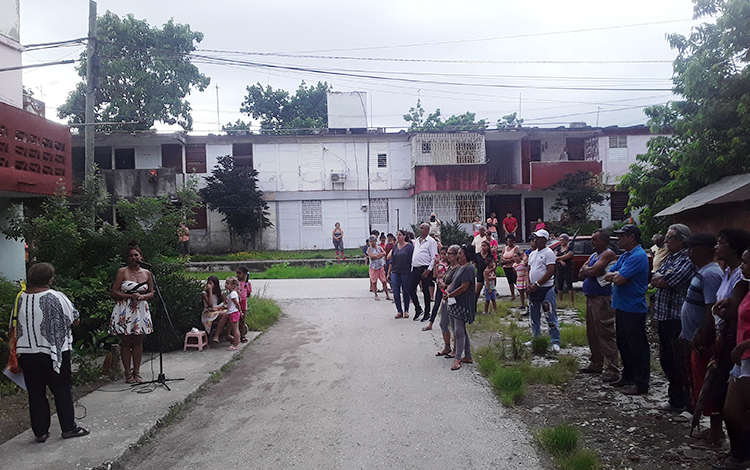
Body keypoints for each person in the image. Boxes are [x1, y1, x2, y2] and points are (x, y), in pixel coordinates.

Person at [16, 262, 89, 441]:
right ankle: (68, 428)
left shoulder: (21, 298)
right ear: (49, 280)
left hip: (27, 352)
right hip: (53, 352)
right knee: (62, 390)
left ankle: (40, 432)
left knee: (35, 393)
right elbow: (74, 319)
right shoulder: (56, 296)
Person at [652, 223, 696, 411]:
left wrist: (659, 278)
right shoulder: (670, 258)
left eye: (670, 238)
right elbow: (655, 278)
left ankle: (688, 404)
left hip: (676, 318)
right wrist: (658, 278)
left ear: (681, 241)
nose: (666, 241)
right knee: (667, 361)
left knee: (681, 363)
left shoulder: (686, 260)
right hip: (663, 316)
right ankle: (675, 399)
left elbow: (663, 281)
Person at [680, 233, 722, 426]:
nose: (689, 254)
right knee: (694, 380)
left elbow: (711, 309)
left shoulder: (711, 274)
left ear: (704, 249)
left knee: (705, 382)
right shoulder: (702, 271)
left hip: (700, 340)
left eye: (692, 249)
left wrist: (704, 336)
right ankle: (698, 419)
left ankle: (709, 426)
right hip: (691, 336)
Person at [714, 248, 750, 470]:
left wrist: (745, 345)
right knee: (731, 410)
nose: (743, 266)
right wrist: (727, 302)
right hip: (742, 357)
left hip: (746, 354)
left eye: (746, 262)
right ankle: (741, 452)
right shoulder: (746, 286)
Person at [605, 224, 650, 396]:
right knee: (624, 344)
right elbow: (610, 273)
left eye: (622, 236)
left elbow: (619, 279)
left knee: (637, 346)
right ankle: (628, 375)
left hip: (633, 307)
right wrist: (616, 276)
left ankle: (641, 383)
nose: (618, 239)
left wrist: (617, 276)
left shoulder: (638, 256)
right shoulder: (626, 255)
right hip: (622, 306)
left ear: (631, 237)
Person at [578, 229, 620, 382]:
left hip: (602, 299)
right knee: (592, 332)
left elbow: (594, 270)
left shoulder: (608, 254)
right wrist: (589, 271)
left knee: (604, 332)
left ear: (604, 240)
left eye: (595, 240)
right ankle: (596, 363)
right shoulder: (593, 255)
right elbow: (581, 273)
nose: (592, 242)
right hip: (591, 298)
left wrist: (589, 270)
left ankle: (612, 369)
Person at [109, 242, 154, 384]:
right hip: (125, 308)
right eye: (131, 256)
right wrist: (130, 296)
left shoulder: (147, 273)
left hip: (140, 309)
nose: (134, 258)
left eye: (136, 255)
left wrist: (143, 297)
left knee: (138, 340)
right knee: (126, 341)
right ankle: (127, 373)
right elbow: (114, 292)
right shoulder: (122, 272)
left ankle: (137, 372)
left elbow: (152, 292)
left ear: (141, 256)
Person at [526, 229, 561, 351]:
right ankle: (535, 337)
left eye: (538, 238)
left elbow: (550, 271)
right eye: (535, 238)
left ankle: (555, 341)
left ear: (544, 240)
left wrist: (537, 283)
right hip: (533, 288)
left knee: (550, 314)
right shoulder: (532, 253)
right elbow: (528, 269)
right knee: (534, 315)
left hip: (546, 288)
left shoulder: (549, 253)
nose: (535, 240)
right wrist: (528, 283)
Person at [446, 244, 477, 370]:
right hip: (455, 303)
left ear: (466, 255)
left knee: (459, 331)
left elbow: (464, 287)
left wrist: (451, 294)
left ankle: (457, 358)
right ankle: (468, 355)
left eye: (460, 253)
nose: (458, 255)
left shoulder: (469, 268)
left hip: (462, 304)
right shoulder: (461, 267)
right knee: (461, 330)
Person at [409, 223, 437, 321]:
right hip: (416, 268)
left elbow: (434, 257)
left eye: (422, 228)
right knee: (411, 289)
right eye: (420, 228)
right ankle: (418, 309)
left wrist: (429, 269)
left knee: (425, 290)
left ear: (427, 230)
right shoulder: (417, 240)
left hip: (425, 268)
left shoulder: (431, 241)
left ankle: (427, 312)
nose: (420, 230)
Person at [436, 246, 461, 356]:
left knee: (454, 325)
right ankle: (447, 346)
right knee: (443, 323)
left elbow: (455, 284)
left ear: (456, 255)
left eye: (450, 253)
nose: (447, 255)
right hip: (446, 297)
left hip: (453, 299)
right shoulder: (450, 267)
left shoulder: (458, 269)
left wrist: (446, 286)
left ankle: (456, 349)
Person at [387, 229, 413, 318]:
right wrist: (389, 272)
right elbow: (392, 260)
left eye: (400, 235)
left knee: (405, 291)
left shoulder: (409, 247)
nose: (398, 236)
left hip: (405, 272)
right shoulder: (395, 247)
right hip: (395, 271)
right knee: (395, 291)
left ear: (404, 236)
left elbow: (412, 259)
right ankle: (399, 311)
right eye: (397, 235)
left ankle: (406, 310)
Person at [423, 246, 448, 331]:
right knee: (436, 304)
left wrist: (442, 275)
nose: (443, 256)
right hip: (440, 285)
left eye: (445, 254)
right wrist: (435, 265)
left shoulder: (450, 264)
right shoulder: (439, 263)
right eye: (442, 254)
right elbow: (435, 275)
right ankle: (431, 323)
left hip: (448, 286)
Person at [202, 275, 228, 343]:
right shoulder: (205, 293)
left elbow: (226, 303)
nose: (209, 285)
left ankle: (227, 334)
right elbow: (210, 304)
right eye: (208, 283)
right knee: (225, 314)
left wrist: (220, 307)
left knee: (229, 313)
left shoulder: (219, 293)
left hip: (217, 311)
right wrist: (210, 291)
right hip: (208, 313)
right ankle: (217, 335)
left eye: (211, 283)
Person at [367, 235, 390, 301]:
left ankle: (387, 295)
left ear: (376, 241)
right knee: (374, 281)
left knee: (384, 281)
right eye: (371, 241)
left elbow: (384, 253)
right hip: (374, 268)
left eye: (373, 241)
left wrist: (377, 256)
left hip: (380, 267)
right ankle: (376, 295)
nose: (372, 243)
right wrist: (379, 256)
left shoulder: (379, 248)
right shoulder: (369, 249)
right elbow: (372, 256)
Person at [555, 234, 575, 304]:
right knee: (559, 284)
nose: (562, 241)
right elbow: (554, 257)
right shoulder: (558, 249)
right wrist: (560, 260)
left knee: (569, 284)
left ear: (567, 240)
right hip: (559, 269)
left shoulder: (569, 248)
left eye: (563, 240)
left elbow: (568, 256)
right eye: (560, 240)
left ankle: (572, 302)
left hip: (568, 268)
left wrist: (558, 258)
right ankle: (561, 300)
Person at [501, 234, 521, 302]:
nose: (509, 243)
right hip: (506, 267)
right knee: (510, 282)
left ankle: (522, 294)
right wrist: (505, 260)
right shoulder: (505, 248)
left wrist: (509, 260)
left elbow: (517, 256)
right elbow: (502, 256)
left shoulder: (516, 248)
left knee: (516, 280)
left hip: (513, 266)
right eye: (508, 241)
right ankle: (513, 295)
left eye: (511, 241)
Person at [224, 276, 242, 351]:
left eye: (228, 283)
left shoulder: (233, 294)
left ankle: (236, 344)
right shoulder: (232, 293)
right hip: (232, 312)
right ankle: (234, 341)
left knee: (235, 329)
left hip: (233, 313)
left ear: (233, 286)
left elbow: (237, 304)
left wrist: (240, 311)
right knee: (233, 328)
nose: (225, 285)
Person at [236, 266, 252, 343]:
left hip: (243, 304)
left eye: (239, 273)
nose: (237, 275)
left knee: (242, 320)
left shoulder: (247, 284)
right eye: (237, 273)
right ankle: (235, 335)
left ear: (245, 274)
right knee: (235, 320)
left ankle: (242, 336)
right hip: (235, 303)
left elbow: (248, 293)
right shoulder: (235, 283)